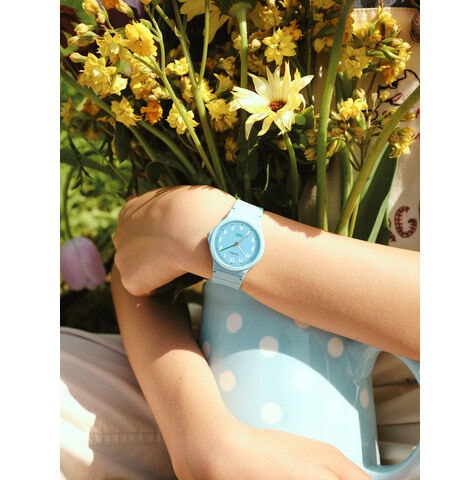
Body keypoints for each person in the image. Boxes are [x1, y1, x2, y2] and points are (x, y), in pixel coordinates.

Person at [60, 4, 420, 479]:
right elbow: (140, 259)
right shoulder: (247, 21)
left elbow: (176, 231)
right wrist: (204, 440)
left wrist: (212, 231)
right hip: (201, 392)